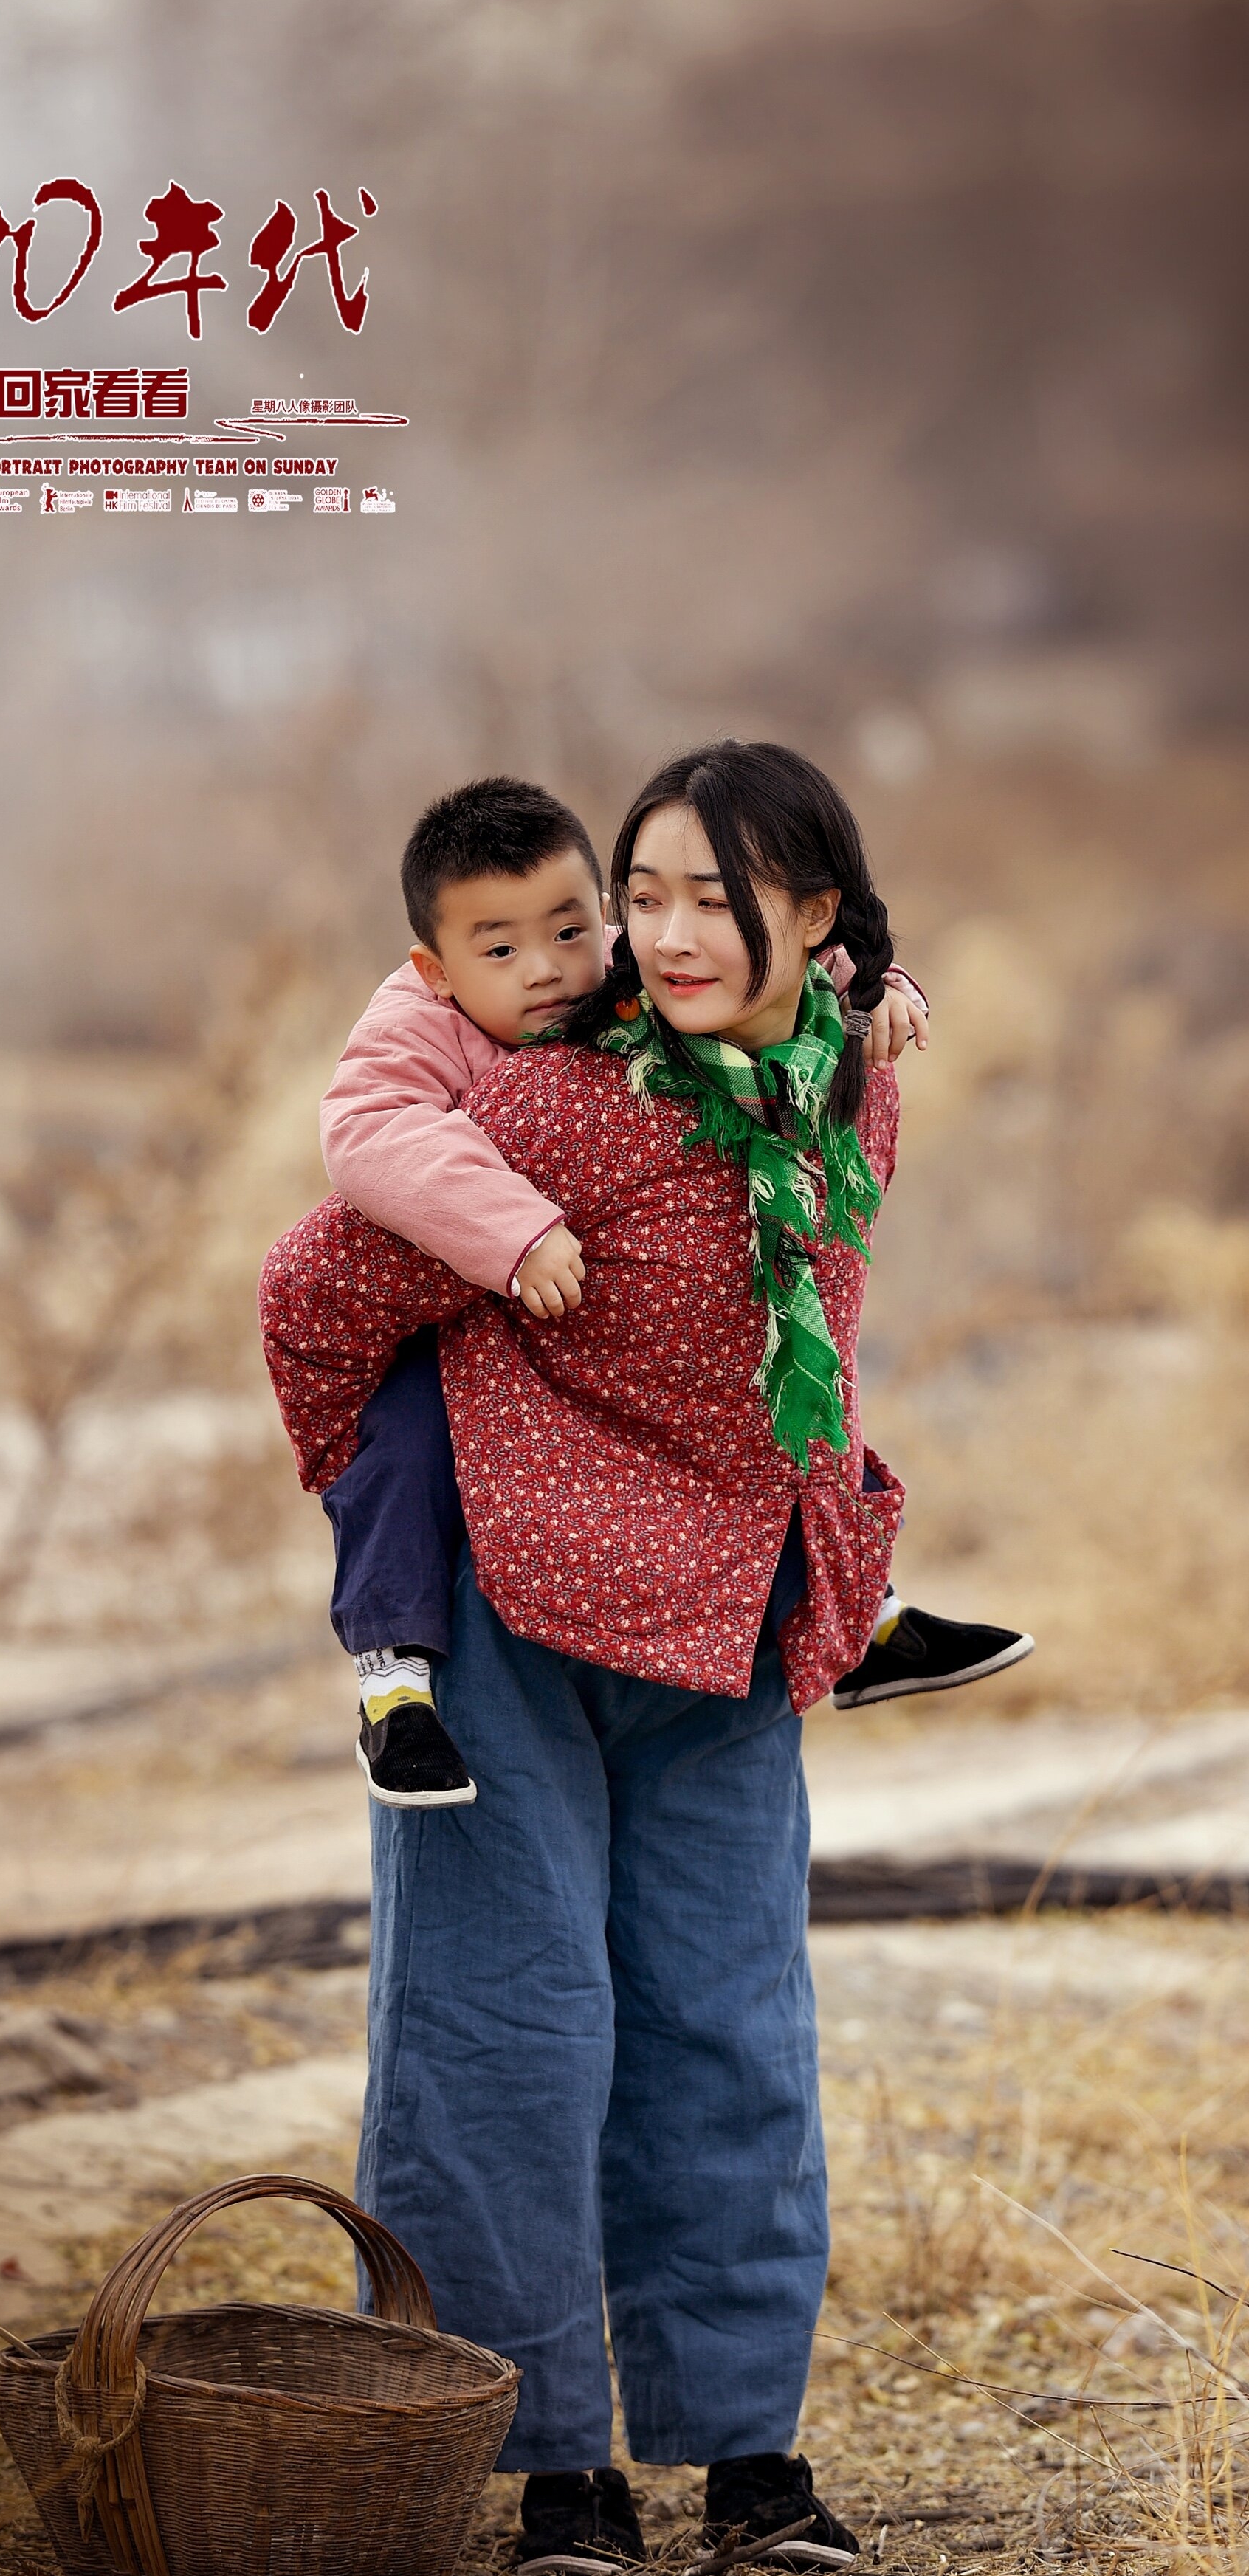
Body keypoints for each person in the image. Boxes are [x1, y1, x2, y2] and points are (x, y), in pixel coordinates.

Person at [258, 739, 974, 2576]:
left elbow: (810, 1313)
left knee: (732, 2025)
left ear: (813, 920)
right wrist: (398, 1511)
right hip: (514, 1610)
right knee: (506, 2032)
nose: (655, 936)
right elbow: (313, 1288)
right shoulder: (558, 1103)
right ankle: (541, 2463)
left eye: (705, 899)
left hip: (728, 1616)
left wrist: (877, 1000)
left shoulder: (852, 1087)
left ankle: (747, 2458)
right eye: (636, 893)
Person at [317, 773, 1030, 1808]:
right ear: (437, 966)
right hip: (457, 1291)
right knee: (406, 1445)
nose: (553, 970)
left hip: (670, 1490)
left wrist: (888, 989)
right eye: (500, 949)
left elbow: (797, 946)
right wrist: (511, 1232)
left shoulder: (676, 998)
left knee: (796, 1338)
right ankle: (397, 1685)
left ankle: (861, 1612)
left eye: (577, 928)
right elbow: (362, 1147)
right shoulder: (434, 1032)